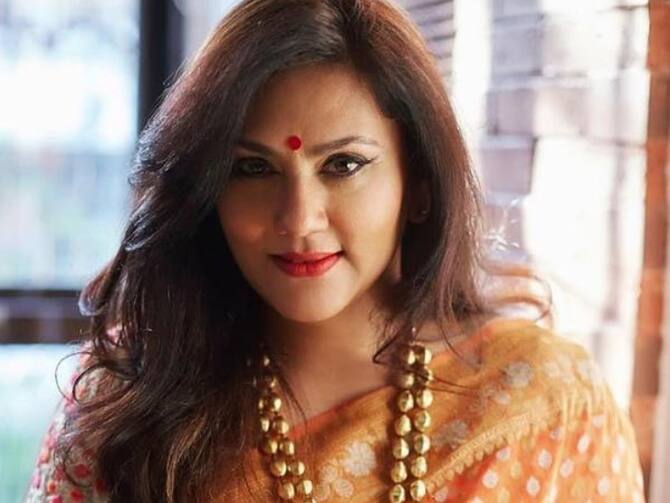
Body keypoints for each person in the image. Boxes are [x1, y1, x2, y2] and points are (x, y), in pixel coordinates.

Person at [24, 0, 645, 502]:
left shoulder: (544, 407)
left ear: (418, 186)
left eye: (343, 164)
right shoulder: (124, 406)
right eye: (253, 168)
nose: (299, 218)